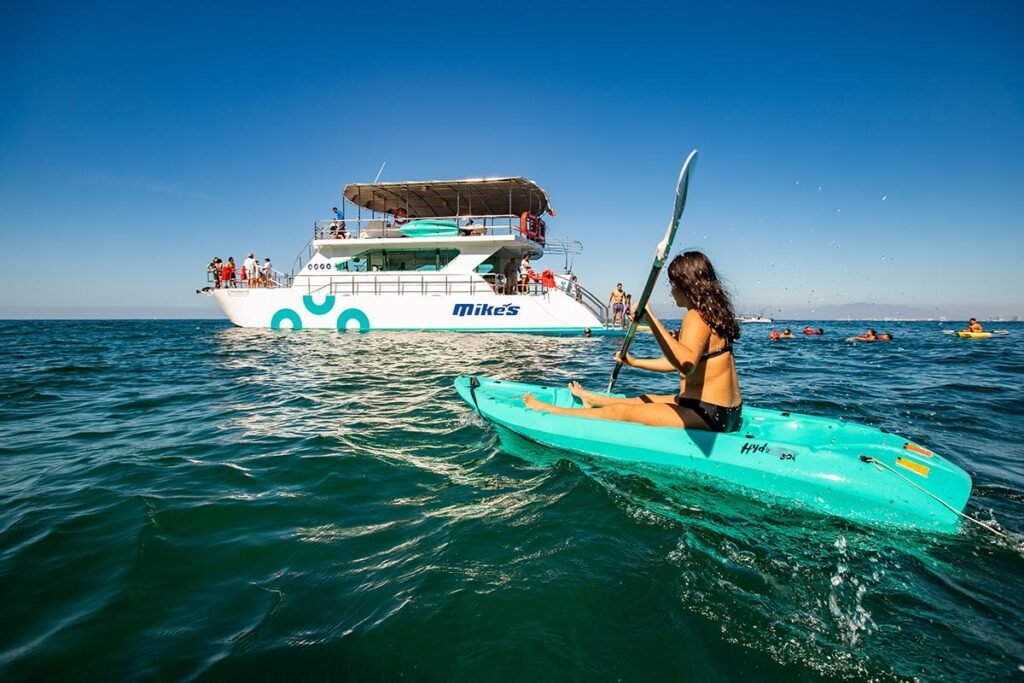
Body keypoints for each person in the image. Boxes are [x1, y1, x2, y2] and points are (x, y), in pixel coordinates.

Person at [524, 251, 742, 433]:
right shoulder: (713, 316)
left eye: (673, 283)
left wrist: (651, 318)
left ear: (686, 285)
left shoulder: (695, 316)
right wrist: (634, 361)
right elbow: (679, 363)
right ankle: (591, 398)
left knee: (620, 412)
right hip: (725, 411)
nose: (671, 290)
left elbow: (685, 364)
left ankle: (551, 411)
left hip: (708, 413)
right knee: (642, 400)